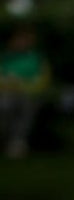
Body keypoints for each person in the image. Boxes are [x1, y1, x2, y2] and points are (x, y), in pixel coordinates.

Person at [0, 26, 50, 159]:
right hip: (5, 94)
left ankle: (17, 143)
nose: (22, 42)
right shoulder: (4, 57)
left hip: (28, 95)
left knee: (27, 106)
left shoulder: (37, 58)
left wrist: (19, 84)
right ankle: (5, 140)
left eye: (25, 39)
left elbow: (41, 82)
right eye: (19, 39)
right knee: (5, 105)